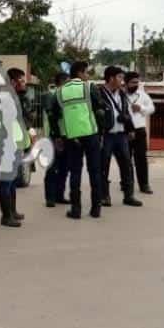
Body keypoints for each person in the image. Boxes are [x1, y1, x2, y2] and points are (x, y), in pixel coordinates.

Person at [50, 61, 105, 219]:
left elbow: (53, 116)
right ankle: (96, 209)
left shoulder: (59, 92)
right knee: (94, 171)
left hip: (71, 137)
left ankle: (75, 209)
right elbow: (100, 110)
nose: (87, 76)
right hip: (91, 135)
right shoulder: (89, 88)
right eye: (86, 72)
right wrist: (101, 133)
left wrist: (58, 136)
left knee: (75, 172)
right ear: (80, 73)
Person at [0, 67, 33, 228]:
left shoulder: (14, 97)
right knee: (6, 181)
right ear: (12, 82)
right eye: (21, 80)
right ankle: (6, 216)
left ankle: (13, 211)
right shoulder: (5, 98)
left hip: (15, 143)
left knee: (13, 180)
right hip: (7, 145)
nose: (24, 83)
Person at [99, 66, 143, 207]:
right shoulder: (99, 93)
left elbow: (126, 112)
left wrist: (130, 129)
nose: (122, 81)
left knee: (126, 165)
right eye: (119, 77)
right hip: (106, 135)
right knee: (103, 166)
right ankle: (104, 196)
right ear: (111, 78)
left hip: (121, 135)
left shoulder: (122, 94)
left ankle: (128, 196)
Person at [125, 71, 155, 195]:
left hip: (140, 130)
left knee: (141, 159)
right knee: (126, 160)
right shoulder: (121, 95)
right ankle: (127, 184)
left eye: (137, 82)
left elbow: (152, 109)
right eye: (133, 82)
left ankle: (144, 184)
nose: (136, 84)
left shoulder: (143, 95)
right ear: (126, 83)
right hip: (125, 132)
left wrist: (141, 108)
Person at [44, 72, 70, 207]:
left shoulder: (66, 96)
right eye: (68, 81)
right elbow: (51, 116)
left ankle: (60, 195)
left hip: (67, 135)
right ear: (62, 81)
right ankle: (50, 197)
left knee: (64, 168)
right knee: (53, 168)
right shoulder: (51, 94)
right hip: (54, 136)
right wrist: (57, 136)